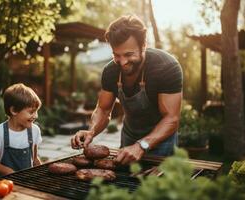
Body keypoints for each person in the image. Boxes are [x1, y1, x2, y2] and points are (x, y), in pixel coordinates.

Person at [71, 15, 183, 165]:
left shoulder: (166, 67)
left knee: (158, 187)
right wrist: (92, 131)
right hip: (129, 138)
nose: (122, 62)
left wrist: (141, 145)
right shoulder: (110, 71)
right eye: (116, 55)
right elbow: (103, 110)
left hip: (161, 142)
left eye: (129, 54)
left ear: (143, 46)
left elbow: (171, 119)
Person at [0, 83, 43, 175]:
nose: (36, 116)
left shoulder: (35, 130)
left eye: (36, 111)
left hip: (27, 181)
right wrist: (12, 173)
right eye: (31, 112)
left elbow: (35, 158)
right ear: (14, 110)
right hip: (5, 184)